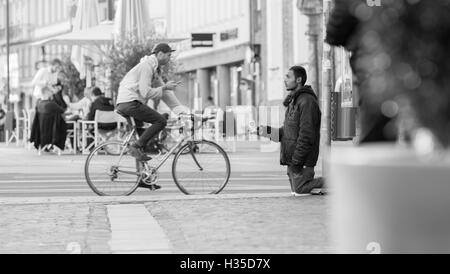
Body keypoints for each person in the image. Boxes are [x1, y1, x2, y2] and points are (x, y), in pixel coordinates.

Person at [116, 43, 187, 163]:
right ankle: (135, 147)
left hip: (127, 102)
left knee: (142, 142)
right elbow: (146, 93)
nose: (170, 58)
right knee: (160, 121)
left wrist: (183, 113)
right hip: (130, 101)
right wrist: (165, 87)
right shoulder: (146, 67)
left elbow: (166, 94)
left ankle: (143, 180)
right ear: (160, 54)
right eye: (169, 55)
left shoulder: (154, 69)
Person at [258, 66, 324, 196]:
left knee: (300, 190)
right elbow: (286, 133)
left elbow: (307, 136)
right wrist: (264, 131)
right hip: (293, 162)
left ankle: (339, 182)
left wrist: (297, 162)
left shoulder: (307, 101)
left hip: (301, 162)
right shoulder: (294, 101)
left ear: (298, 79)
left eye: (288, 77)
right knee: (297, 192)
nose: (284, 80)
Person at [30, 87, 67, 151]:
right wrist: (56, 95)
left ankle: (47, 146)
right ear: (47, 92)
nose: (51, 93)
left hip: (42, 133)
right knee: (69, 125)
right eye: (50, 91)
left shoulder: (39, 104)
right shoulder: (51, 104)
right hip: (53, 132)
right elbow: (63, 109)